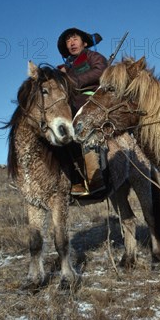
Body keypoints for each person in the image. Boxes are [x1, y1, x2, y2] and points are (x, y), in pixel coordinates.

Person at [57, 27, 108, 196]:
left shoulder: (93, 57)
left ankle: (96, 177)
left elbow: (100, 70)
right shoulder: (65, 67)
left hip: (91, 100)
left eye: (75, 39)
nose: (71, 43)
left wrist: (74, 80)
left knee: (84, 128)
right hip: (72, 104)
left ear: (84, 42)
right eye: (68, 41)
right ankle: (76, 181)